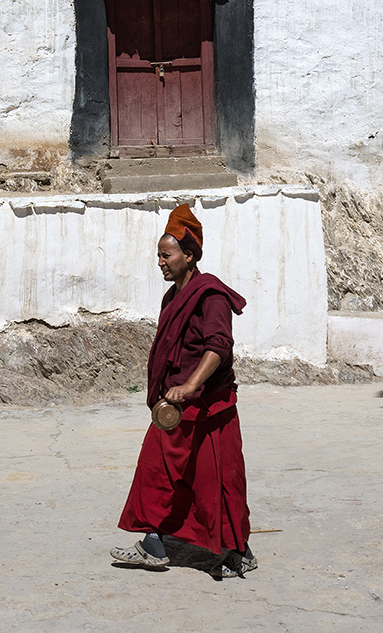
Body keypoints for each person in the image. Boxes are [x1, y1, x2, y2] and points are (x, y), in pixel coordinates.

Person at [110, 202, 255, 577]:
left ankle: (233, 550)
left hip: (207, 405)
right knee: (175, 474)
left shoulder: (211, 296)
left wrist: (190, 386)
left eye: (166, 254)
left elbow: (218, 347)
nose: (160, 261)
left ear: (188, 256)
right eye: (158, 255)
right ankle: (159, 542)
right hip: (177, 405)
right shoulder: (172, 298)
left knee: (217, 481)